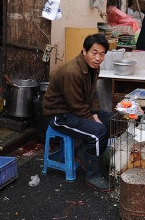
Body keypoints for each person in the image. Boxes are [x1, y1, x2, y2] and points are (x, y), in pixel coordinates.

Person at [42, 34, 115, 192]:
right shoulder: (72, 72)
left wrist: (95, 114)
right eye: (94, 52)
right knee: (98, 131)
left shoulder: (93, 67)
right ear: (84, 51)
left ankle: (83, 151)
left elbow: (93, 93)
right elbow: (76, 105)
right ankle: (93, 175)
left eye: (102, 54)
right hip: (60, 115)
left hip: (76, 109)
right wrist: (92, 120)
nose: (98, 58)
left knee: (113, 120)